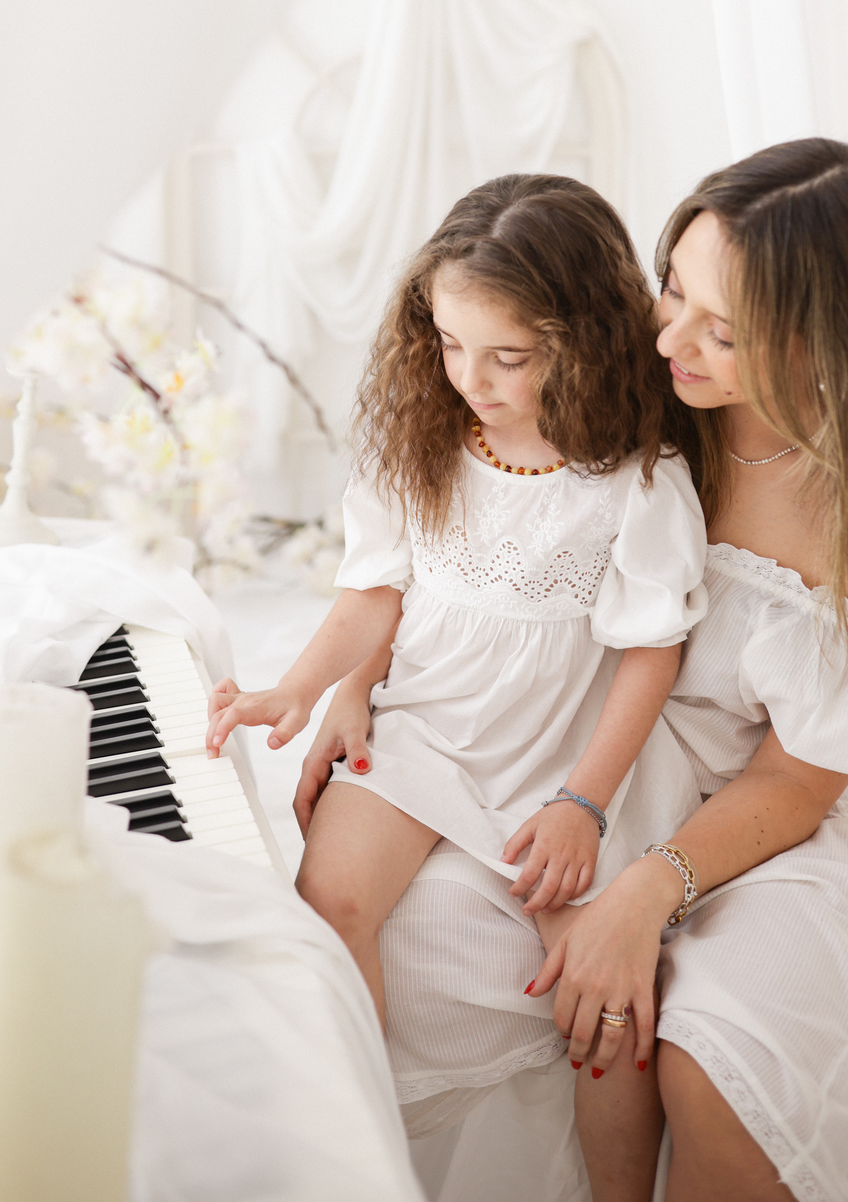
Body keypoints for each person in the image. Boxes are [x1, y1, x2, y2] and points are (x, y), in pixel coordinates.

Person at [298, 140, 848, 1202]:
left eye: (722, 328)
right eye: (671, 287)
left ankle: (821, 955)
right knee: (365, 921)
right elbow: (451, 558)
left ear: (831, 342)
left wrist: (651, 892)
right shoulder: (630, 405)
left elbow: (797, 783)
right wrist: (357, 684)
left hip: (770, 822)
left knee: (715, 1067)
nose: (668, 335)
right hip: (581, 775)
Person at [206, 172, 709, 1135]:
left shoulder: (636, 482)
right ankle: (356, 1147)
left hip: (554, 757)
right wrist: (303, 689)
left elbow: (652, 654)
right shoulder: (428, 441)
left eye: (507, 357)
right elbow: (375, 591)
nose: (468, 377)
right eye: (446, 343)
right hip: (426, 724)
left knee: (598, 998)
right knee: (330, 897)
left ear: (588, 343)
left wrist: (584, 803)